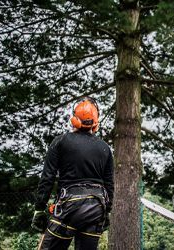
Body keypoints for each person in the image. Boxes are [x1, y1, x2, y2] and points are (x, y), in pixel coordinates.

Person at [31, 97, 114, 250]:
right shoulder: (105, 148)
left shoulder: (60, 141)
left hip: (68, 207)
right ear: (95, 123)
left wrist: (39, 208)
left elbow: (47, 177)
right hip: (96, 209)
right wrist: (106, 211)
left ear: (74, 119)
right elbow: (109, 185)